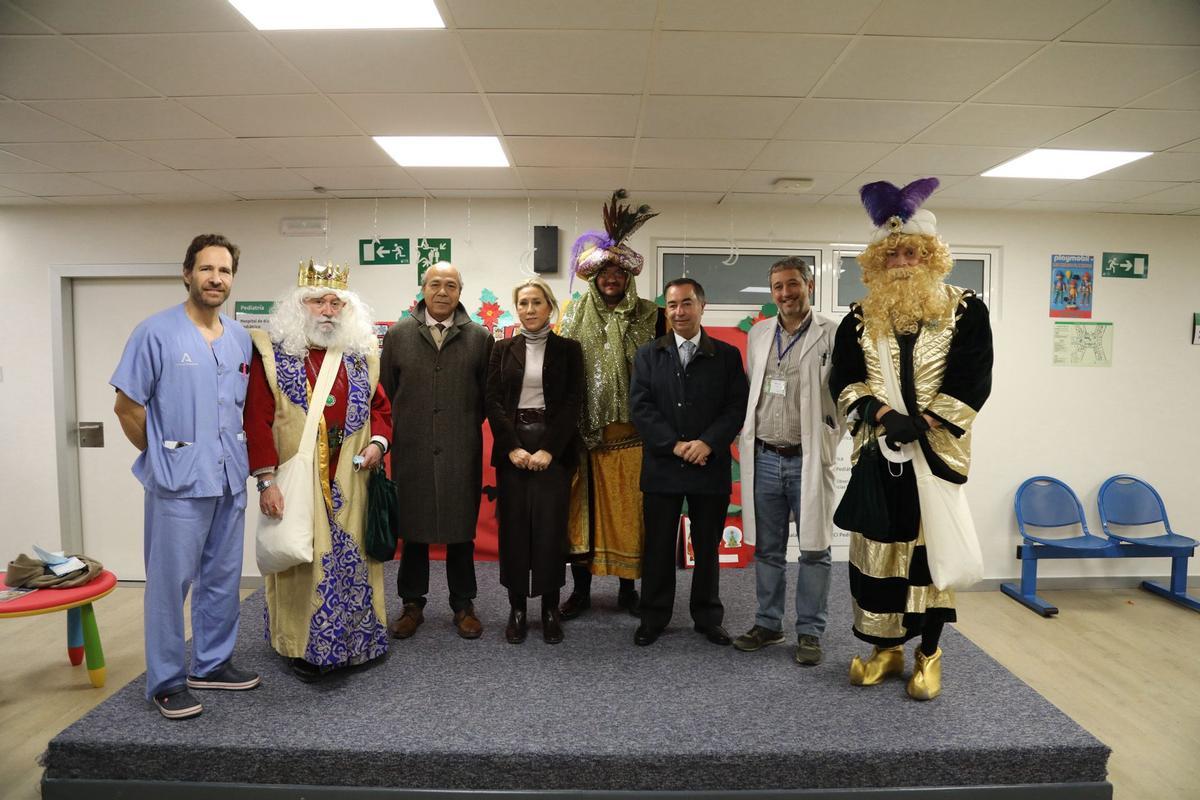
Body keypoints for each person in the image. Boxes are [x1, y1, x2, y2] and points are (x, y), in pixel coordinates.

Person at [830, 178, 993, 700]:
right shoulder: (858, 318)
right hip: (878, 455)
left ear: (929, 256)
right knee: (876, 558)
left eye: (910, 252)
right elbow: (843, 379)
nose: (901, 262)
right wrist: (879, 413)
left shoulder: (965, 309)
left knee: (927, 559)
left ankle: (929, 653)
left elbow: (972, 379)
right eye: (891, 254)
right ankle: (884, 650)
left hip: (934, 456)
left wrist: (922, 423)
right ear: (877, 262)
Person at [111, 233, 259, 720]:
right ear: (187, 273)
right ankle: (167, 680)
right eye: (207, 269)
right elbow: (127, 407)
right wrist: (163, 458)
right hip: (177, 484)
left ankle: (211, 664)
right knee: (169, 584)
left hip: (228, 479)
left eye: (225, 271)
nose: (216, 278)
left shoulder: (240, 338)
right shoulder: (155, 333)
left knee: (221, 578)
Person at [245, 262, 393, 682]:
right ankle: (301, 647)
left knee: (355, 560)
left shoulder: (362, 358)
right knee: (300, 561)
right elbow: (256, 419)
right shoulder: (271, 355)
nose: (327, 309)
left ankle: (360, 643)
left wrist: (379, 444)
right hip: (295, 480)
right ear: (298, 306)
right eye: (317, 301)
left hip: (352, 480)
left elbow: (381, 410)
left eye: (335, 302)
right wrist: (266, 480)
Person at [558, 189, 665, 620]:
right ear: (592, 278)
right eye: (603, 272)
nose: (610, 278)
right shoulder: (571, 314)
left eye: (618, 271)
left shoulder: (652, 315)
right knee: (582, 520)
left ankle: (627, 590)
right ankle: (581, 591)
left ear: (628, 277)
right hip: (585, 437)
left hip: (634, 439)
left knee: (629, 518)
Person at [733, 257, 842, 666]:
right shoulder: (759, 334)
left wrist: (831, 434)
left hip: (807, 457)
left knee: (815, 548)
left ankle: (810, 632)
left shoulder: (831, 333)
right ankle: (768, 623)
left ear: (808, 285)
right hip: (764, 456)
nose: (785, 293)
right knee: (768, 548)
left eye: (792, 284)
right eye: (777, 286)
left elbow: (845, 392)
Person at [629, 278, 748, 647]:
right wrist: (675, 445)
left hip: (708, 467)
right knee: (659, 548)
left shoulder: (726, 355)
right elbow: (641, 407)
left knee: (707, 547)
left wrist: (708, 443)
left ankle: (708, 616)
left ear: (702, 306)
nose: (678, 312)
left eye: (686, 303)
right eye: (672, 305)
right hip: (663, 466)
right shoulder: (649, 354)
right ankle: (654, 616)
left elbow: (735, 407)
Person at [380, 262, 493, 640]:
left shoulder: (479, 337)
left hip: (462, 446)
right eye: (435, 284)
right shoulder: (398, 335)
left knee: (461, 530)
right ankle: (412, 605)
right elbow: (387, 392)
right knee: (413, 529)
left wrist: (460, 425)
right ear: (423, 289)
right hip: (411, 447)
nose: (442, 292)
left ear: (461, 292)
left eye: (451, 285)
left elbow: (486, 397)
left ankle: (464, 605)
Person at [485, 278, 585, 644]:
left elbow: (574, 403)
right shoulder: (500, 348)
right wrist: (511, 446)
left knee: (549, 531)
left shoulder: (569, 349)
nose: (529, 309)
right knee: (513, 530)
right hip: (512, 447)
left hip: (552, 448)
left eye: (536, 303)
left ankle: (548, 608)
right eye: (523, 303)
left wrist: (549, 450)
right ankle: (517, 608)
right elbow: (492, 401)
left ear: (549, 307)